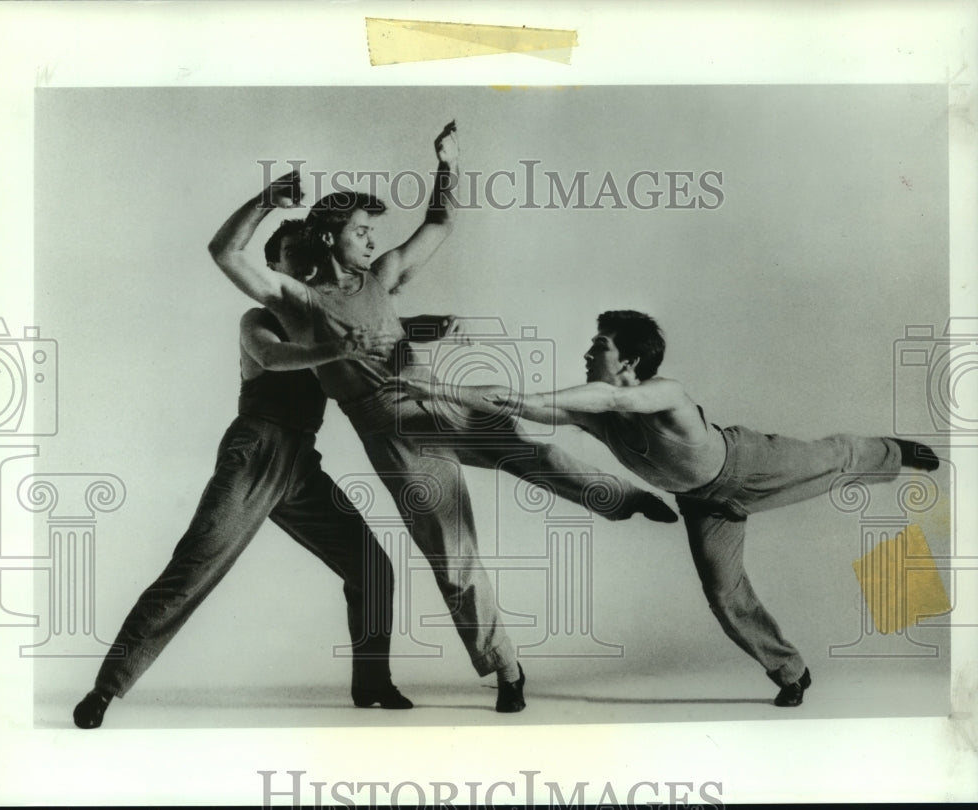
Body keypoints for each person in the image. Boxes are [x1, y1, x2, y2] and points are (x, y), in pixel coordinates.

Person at [209, 125, 677, 713]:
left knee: (540, 453)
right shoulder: (298, 302)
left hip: (440, 401)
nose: (370, 237)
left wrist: (447, 164)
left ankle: (625, 500)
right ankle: (507, 669)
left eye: (371, 230)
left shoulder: (380, 277)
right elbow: (226, 254)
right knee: (454, 558)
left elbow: (439, 224)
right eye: (360, 230)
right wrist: (264, 202)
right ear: (329, 235)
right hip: (394, 435)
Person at [388, 309, 940, 708]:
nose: (587, 352)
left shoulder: (663, 392)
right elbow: (524, 403)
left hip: (748, 464)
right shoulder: (594, 412)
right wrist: (443, 390)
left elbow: (610, 398)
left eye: (598, 344)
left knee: (834, 457)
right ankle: (790, 671)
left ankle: (896, 451)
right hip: (704, 502)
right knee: (725, 592)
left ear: (628, 359)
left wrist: (448, 389)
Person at [71, 219, 413, 730]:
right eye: (290, 255)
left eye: (308, 254)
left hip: (301, 461)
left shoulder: (324, 317)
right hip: (255, 451)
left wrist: (427, 327)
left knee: (372, 566)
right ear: (273, 267)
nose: (303, 265)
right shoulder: (258, 317)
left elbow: (379, 331)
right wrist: (340, 351)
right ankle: (105, 689)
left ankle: (372, 683)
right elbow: (275, 357)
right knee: (194, 566)